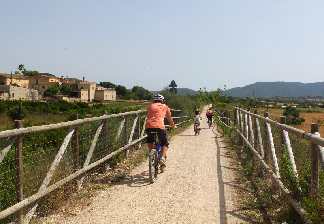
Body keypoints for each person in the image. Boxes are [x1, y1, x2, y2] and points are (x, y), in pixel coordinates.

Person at [145, 94, 175, 169]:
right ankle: (162, 158)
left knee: (150, 141)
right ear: (162, 101)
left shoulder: (150, 106)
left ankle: (151, 155)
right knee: (165, 144)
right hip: (160, 127)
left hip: (149, 126)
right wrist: (173, 126)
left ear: (153, 100)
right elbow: (169, 118)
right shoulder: (165, 107)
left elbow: (149, 114)